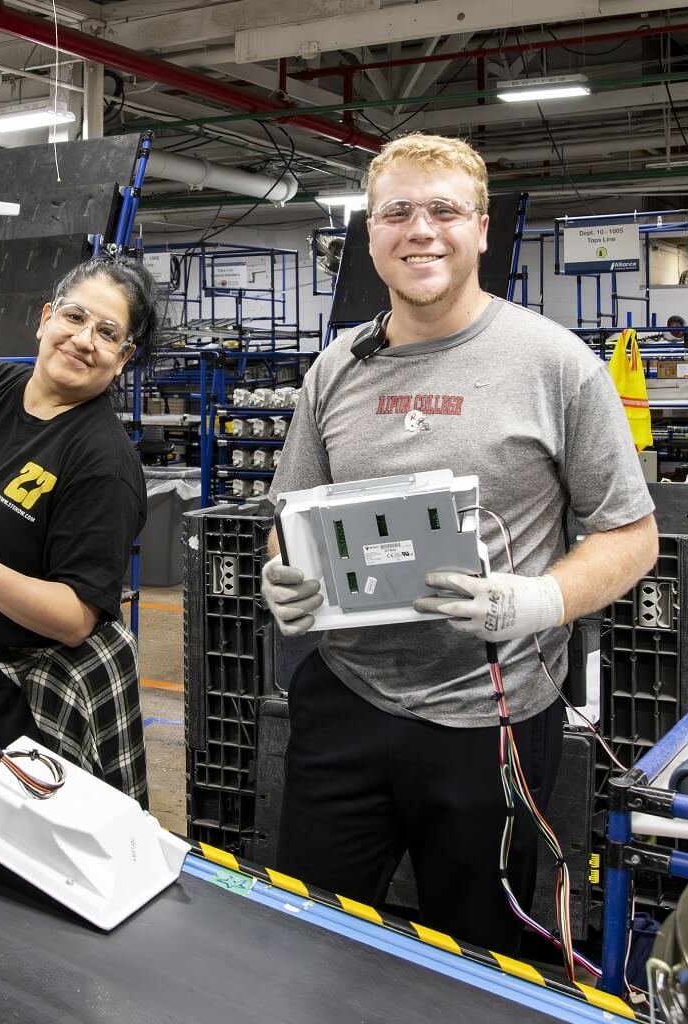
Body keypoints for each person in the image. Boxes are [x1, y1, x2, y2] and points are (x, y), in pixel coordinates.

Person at [262, 134, 659, 955]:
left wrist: (537, 599)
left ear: (482, 228)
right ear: (370, 235)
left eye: (444, 210)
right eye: (397, 212)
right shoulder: (336, 367)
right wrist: (284, 572)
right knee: (306, 937)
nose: (421, 230)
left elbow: (632, 534)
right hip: (347, 701)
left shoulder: (555, 365)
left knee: (485, 957)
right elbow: (290, 511)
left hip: (496, 723)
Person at [0, 257, 156, 805]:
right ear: (44, 319)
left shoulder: (103, 462)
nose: (83, 340)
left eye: (107, 334)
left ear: (123, 358)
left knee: (34, 855)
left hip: (39, 690)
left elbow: (76, 619)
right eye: (74, 317)